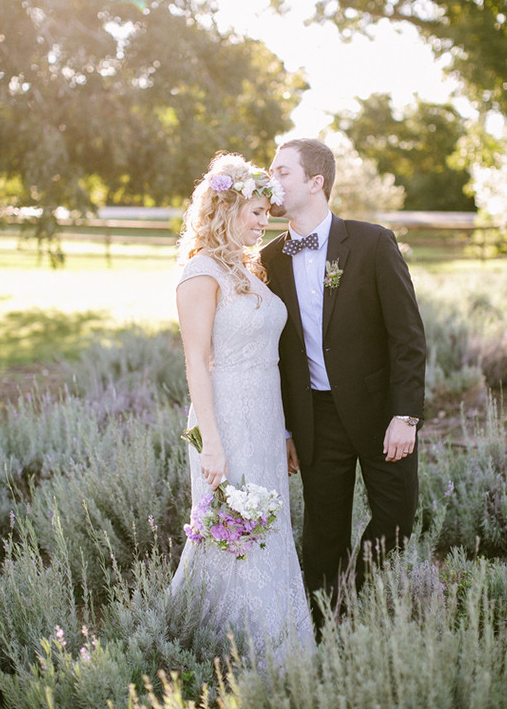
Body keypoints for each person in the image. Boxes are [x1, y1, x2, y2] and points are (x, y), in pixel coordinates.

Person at [261, 138, 426, 626]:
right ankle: (323, 633)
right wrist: (288, 430)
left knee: (397, 520)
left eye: (282, 171)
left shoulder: (373, 243)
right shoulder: (269, 259)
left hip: (381, 414)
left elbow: (408, 337)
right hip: (315, 417)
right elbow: (275, 354)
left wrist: (405, 414)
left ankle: (357, 601)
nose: (272, 179)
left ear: (316, 182)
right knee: (323, 534)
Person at [171, 151, 314, 660]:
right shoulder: (201, 273)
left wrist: (283, 434)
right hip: (222, 421)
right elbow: (196, 363)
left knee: (267, 528)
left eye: (265, 213)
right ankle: (211, 648)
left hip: (265, 422)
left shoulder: (248, 270)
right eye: (255, 212)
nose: (263, 223)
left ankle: (279, 648)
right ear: (225, 208)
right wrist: (211, 443)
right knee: (229, 531)